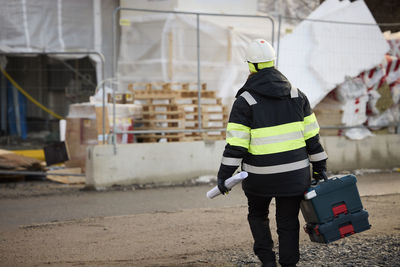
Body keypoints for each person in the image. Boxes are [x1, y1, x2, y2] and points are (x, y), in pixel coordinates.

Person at [217, 39, 328, 267]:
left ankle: (267, 261)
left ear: (252, 66)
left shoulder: (245, 101)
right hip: (295, 177)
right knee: (288, 221)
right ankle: (289, 264)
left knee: (258, 215)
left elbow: (236, 146)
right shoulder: (298, 95)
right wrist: (320, 169)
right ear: (272, 62)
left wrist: (224, 176)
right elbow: (313, 140)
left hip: (259, 179)